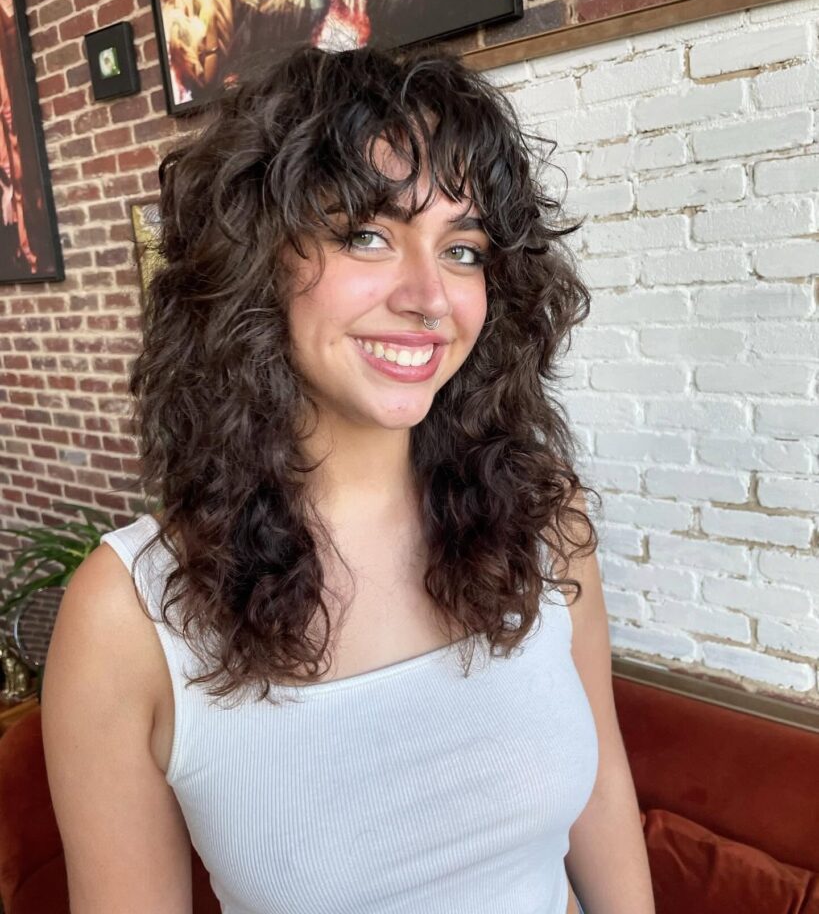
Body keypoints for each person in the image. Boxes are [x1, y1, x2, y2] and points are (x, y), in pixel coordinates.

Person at [41, 44, 655, 914]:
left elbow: (600, 795)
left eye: (464, 249)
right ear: (254, 261)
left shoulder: (543, 518)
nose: (429, 297)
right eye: (367, 235)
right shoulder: (129, 615)